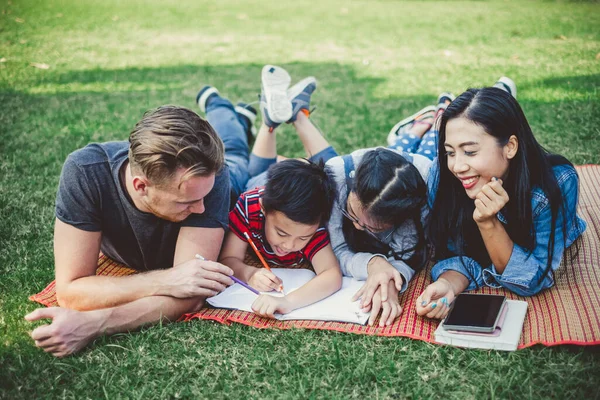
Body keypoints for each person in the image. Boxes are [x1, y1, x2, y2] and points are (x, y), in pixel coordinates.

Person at [25, 90, 261, 356]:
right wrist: (168, 280)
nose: (201, 209)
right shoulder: (85, 173)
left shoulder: (211, 181)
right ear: (141, 186)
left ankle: (226, 111)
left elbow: (192, 294)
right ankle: (228, 110)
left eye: (203, 198)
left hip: (234, 181)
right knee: (235, 150)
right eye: (186, 202)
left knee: (239, 159)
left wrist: (93, 324)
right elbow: (70, 292)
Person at [415, 80, 587, 320]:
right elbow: (457, 253)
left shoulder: (555, 185)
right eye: (450, 152)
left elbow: (531, 279)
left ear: (510, 146)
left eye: (470, 151)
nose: (457, 166)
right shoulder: (441, 175)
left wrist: (488, 222)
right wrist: (449, 284)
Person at [200, 66, 341, 318]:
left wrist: (288, 301)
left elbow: (331, 276)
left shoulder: (314, 218)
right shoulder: (250, 204)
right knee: (244, 161)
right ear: (264, 210)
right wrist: (249, 273)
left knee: (328, 172)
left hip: (283, 178)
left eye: (302, 239)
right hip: (256, 182)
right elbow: (228, 259)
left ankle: (271, 121)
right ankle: (257, 117)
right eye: (282, 232)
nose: (289, 245)